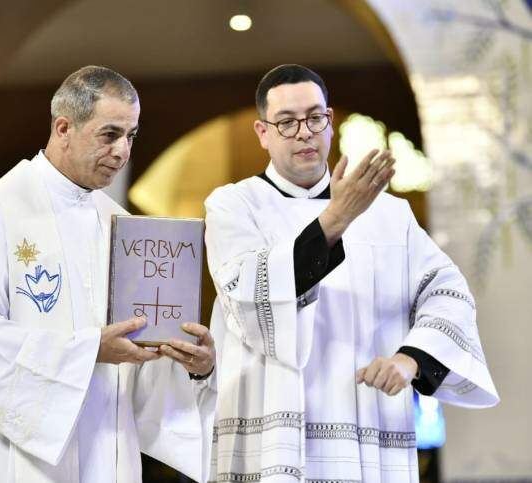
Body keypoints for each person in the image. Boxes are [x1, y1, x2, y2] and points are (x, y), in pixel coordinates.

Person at [204, 64, 498, 482]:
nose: (304, 133)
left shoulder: (390, 214)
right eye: (286, 122)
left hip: (369, 427)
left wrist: (411, 359)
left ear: (329, 120)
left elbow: (448, 293)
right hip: (271, 434)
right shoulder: (234, 206)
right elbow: (246, 300)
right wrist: (336, 218)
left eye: (315, 117)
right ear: (263, 132)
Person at [0, 66, 216, 483]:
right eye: (109, 134)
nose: (122, 151)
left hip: (108, 453)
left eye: (131, 136)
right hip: (23, 460)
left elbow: (138, 367)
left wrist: (191, 365)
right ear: (63, 127)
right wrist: (89, 350)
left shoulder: (123, 227)